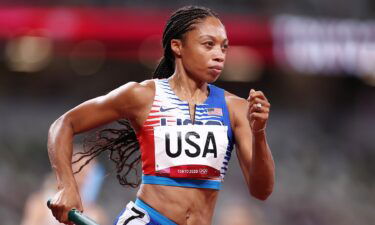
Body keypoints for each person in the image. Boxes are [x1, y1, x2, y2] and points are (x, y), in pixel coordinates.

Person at [47, 5, 275, 225]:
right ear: (177, 47)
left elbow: (261, 191)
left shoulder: (235, 108)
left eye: (224, 47)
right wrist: (67, 186)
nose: (219, 55)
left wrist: (259, 132)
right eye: (208, 45)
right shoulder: (142, 96)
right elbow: (64, 124)